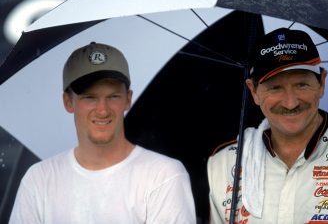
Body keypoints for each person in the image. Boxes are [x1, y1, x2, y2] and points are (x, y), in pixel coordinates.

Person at [9, 42, 196, 224]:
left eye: (113, 96)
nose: (102, 110)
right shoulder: (38, 180)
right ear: (68, 101)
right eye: (89, 97)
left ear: (128, 99)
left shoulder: (163, 175)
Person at [207, 28, 328, 224]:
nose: (290, 103)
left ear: (322, 83)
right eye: (275, 87)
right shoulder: (224, 162)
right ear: (254, 91)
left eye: (301, 85)